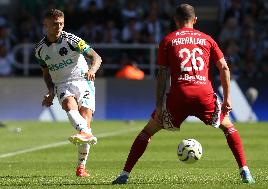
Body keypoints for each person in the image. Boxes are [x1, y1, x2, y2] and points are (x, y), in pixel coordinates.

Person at [112, 4, 255, 184]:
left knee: (147, 132)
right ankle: (245, 172)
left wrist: (159, 105)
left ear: (175, 20)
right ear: (195, 20)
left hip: (179, 95)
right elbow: (224, 68)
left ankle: (124, 174)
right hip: (204, 93)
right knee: (228, 127)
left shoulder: (168, 40)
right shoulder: (207, 39)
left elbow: (163, 74)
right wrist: (227, 98)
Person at [34, 9, 102, 177]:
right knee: (67, 105)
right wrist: (50, 92)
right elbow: (46, 74)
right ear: (46, 24)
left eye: (61, 24)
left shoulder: (72, 40)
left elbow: (96, 57)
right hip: (62, 83)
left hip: (83, 80)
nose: (59, 27)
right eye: (55, 24)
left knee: (85, 120)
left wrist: (92, 70)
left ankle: (81, 167)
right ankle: (85, 133)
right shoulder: (40, 50)